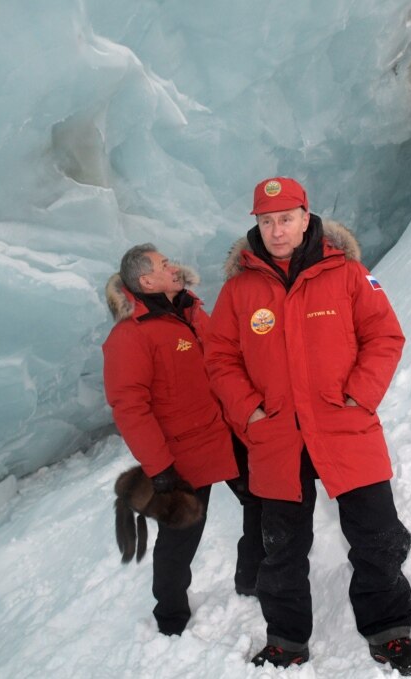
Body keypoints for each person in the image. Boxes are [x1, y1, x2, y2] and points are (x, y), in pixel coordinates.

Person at [204, 177, 411, 675]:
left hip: (345, 427)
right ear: (255, 227)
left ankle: (389, 630)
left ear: (306, 217)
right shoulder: (240, 290)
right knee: (281, 551)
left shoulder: (347, 275)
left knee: (377, 536)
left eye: (285, 218)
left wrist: (360, 395)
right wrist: (249, 410)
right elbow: (218, 356)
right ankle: (286, 640)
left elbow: (385, 336)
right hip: (277, 437)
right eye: (266, 221)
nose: (277, 230)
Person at [102, 244, 264, 636]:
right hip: (184, 454)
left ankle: (252, 578)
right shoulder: (130, 336)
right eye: (163, 265)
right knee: (180, 536)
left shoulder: (191, 311)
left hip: (228, 434)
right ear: (146, 281)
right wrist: (159, 468)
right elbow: (130, 408)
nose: (174, 267)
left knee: (262, 504)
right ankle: (171, 618)